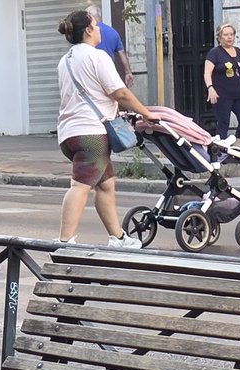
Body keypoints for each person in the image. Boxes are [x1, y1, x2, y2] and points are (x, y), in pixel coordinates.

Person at [56, 7, 158, 248]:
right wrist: (147, 113)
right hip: (91, 134)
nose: (100, 28)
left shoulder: (66, 60)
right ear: (89, 30)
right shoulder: (97, 56)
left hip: (69, 133)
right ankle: (64, 242)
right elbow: (119, 92)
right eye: (96, 24)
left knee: (105, 184)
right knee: (80, 187)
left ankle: (118, 237)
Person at [204, 23, 240, 144]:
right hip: (222, 95)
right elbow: (207, 73)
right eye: (226, 35)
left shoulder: (237, 51)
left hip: (239, 94)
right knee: (223, 123)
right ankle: (220, 152)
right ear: (219, 37)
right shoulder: (214, 53)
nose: (229, 37)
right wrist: (210, 88)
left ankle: (237, 146)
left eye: (231, 34)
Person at [86, 4, 133, 87]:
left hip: (92, 75)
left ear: (89, 17)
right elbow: (122, 54)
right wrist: (128, 72)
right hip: (109, 73)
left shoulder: (88, 33)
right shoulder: (113, 32)